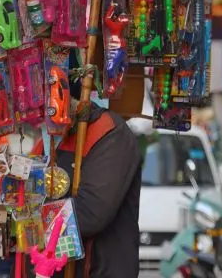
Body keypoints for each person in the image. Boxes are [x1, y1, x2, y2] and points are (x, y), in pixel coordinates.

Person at [30, 76, 142, 278]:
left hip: (99, 270)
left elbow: (92, 210)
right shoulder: (48, 138)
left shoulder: (109, 133)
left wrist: (31, 221)